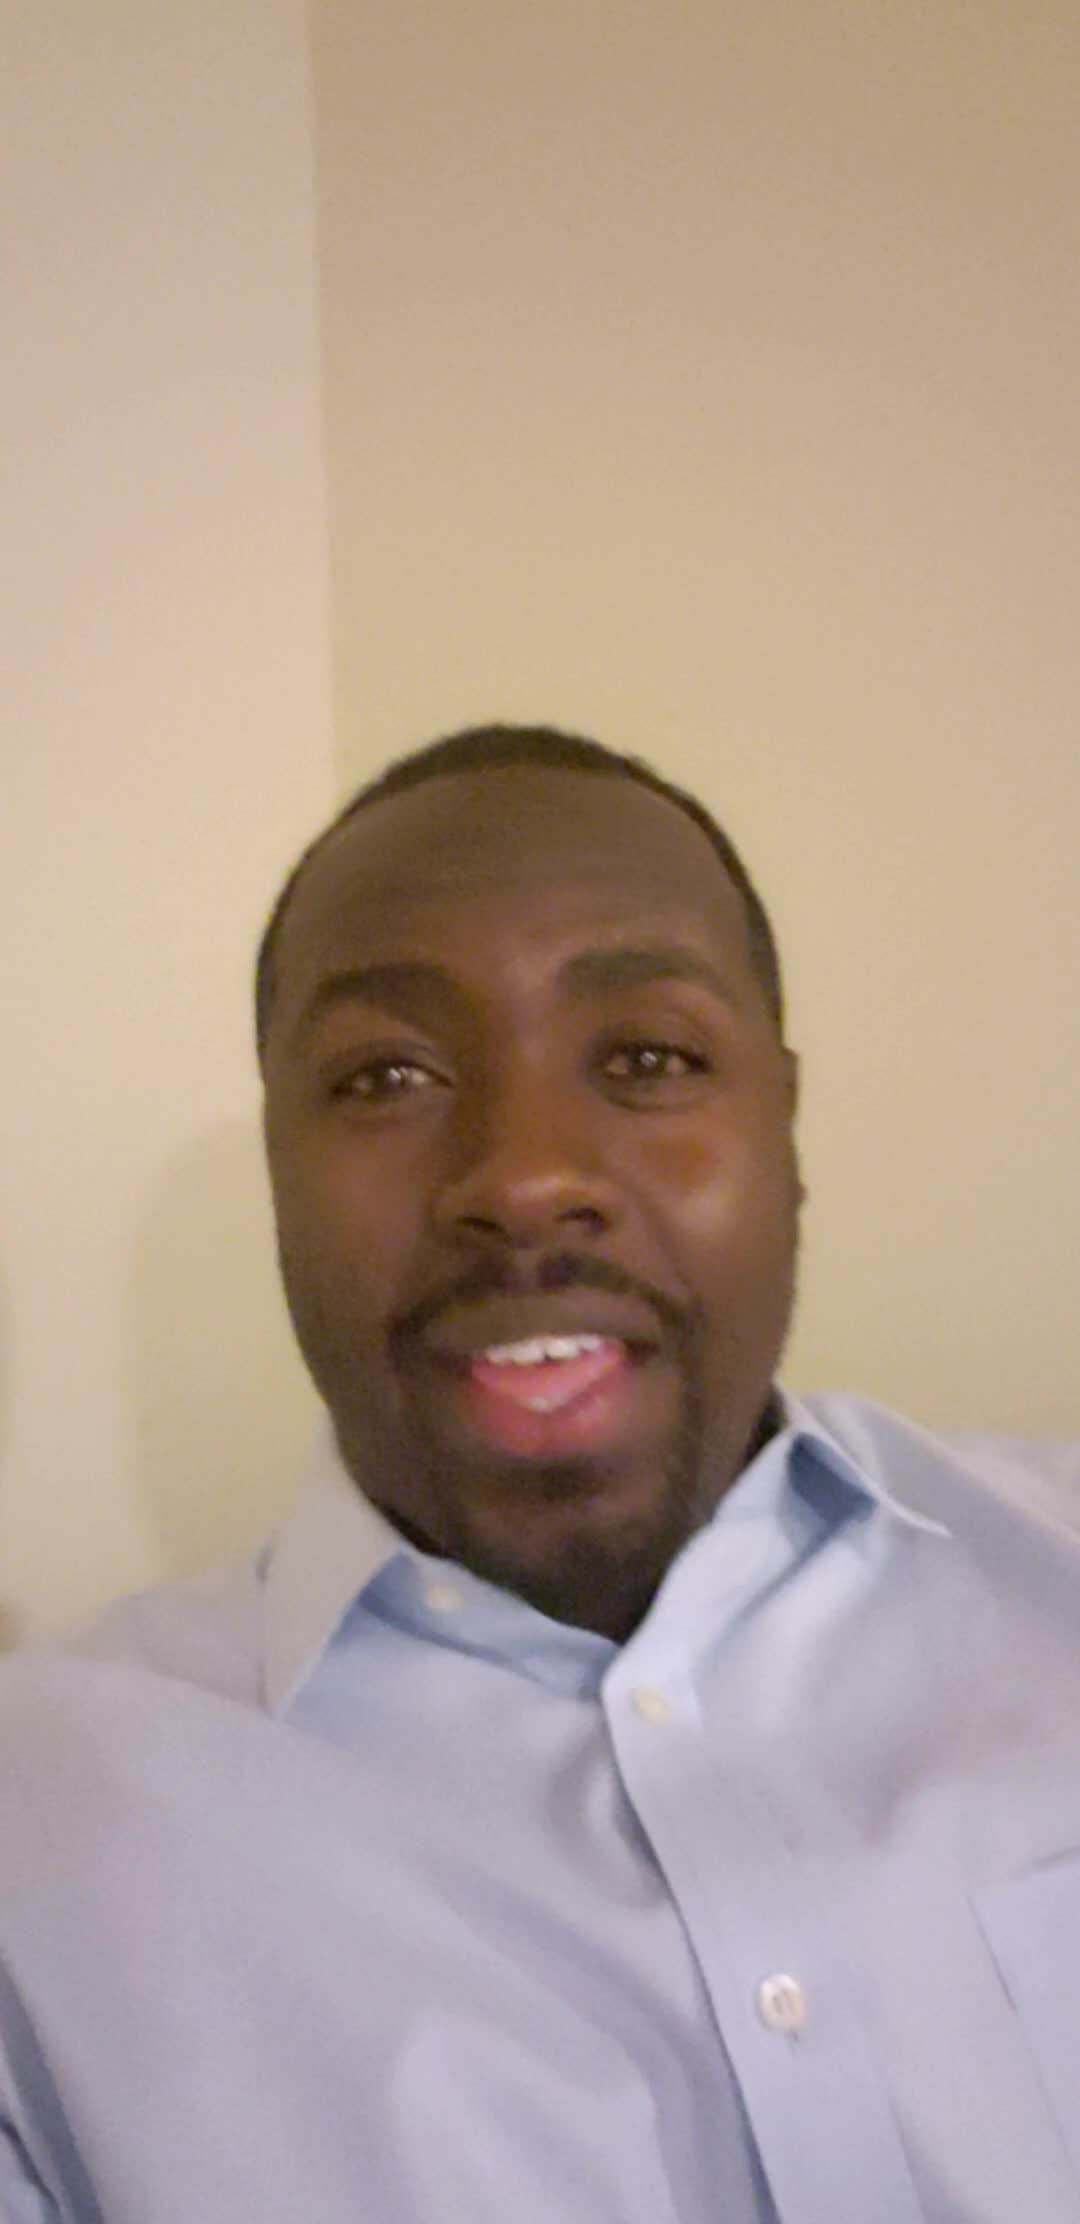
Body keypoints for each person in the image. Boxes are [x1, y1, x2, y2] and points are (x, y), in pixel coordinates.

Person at [1, 723, 1078, 2224]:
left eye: (648, 1060)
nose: (521, 1178)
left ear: (785, 1125)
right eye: (385, 1075)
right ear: (277, 1172)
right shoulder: (39, 1833)